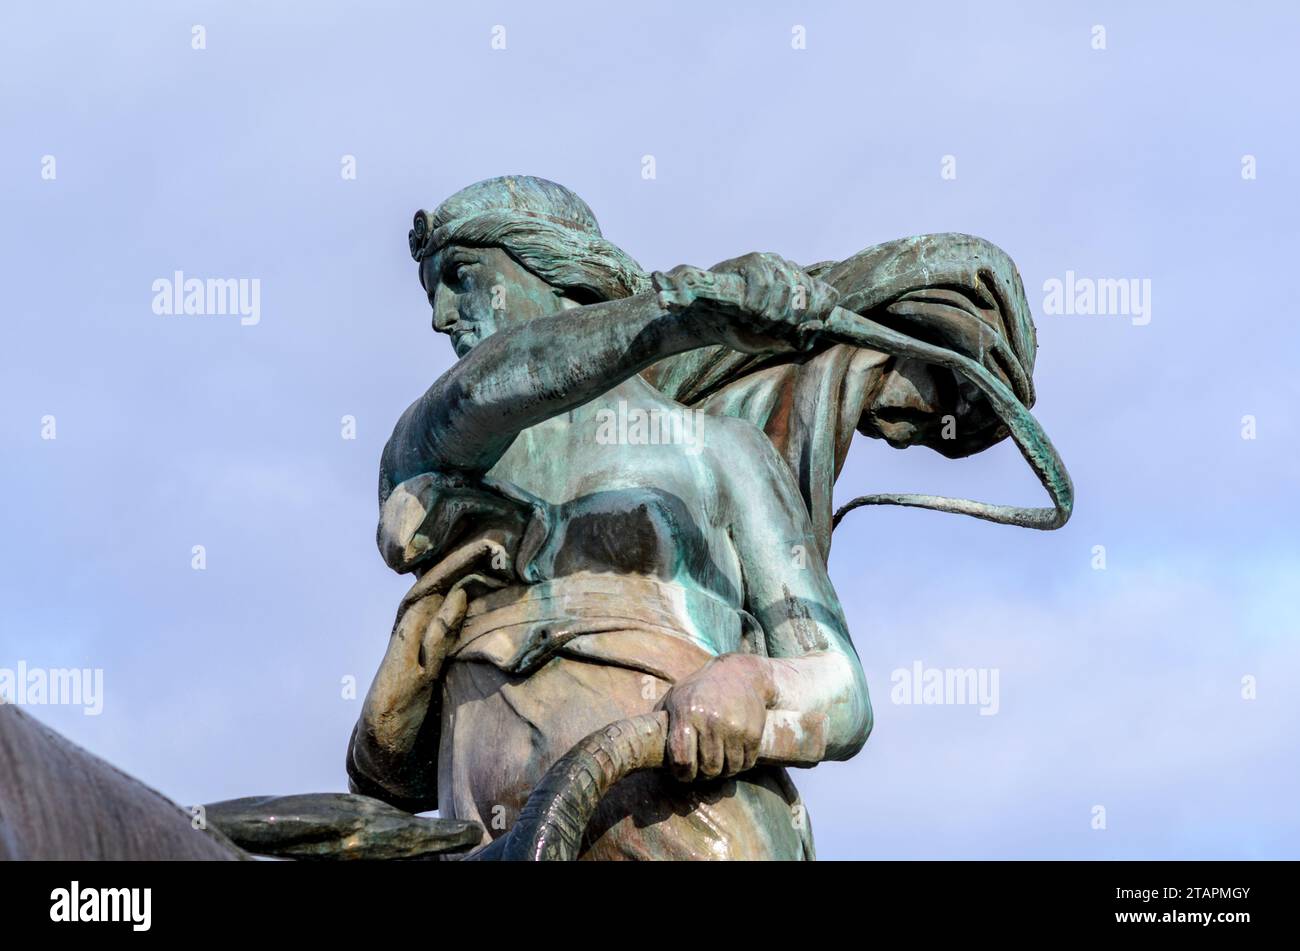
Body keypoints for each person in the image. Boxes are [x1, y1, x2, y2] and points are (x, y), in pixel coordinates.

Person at [347, 175, 1046, 859]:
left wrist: (751, 684)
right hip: (494, 834)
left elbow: (842, 687)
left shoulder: (720, 453)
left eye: (461, 276)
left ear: (554, 268)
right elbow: (488, 384)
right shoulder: (437, 452)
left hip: (687, 817)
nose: (440, 315)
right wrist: (676, 319)